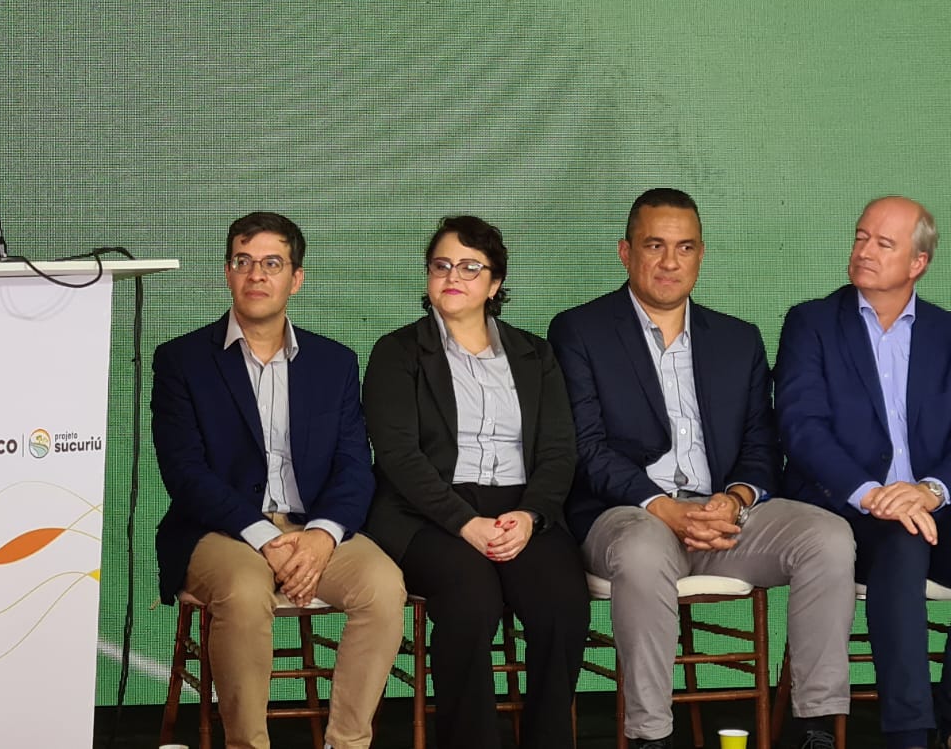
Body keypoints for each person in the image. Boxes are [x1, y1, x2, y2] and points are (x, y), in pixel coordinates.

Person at [548, 188, 853, 749]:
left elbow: (761, 443)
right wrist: (663, 507)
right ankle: (652, 736)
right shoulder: (579, 331)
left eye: (684, 247)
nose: (670, 261)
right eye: (654, 246)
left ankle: (814, 726)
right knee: (642, 551)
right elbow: (585, 448)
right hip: (628, 513)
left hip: (720, 517)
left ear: (701, 254)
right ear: (625, 252)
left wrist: (734, 499)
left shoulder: (737, 339)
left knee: (828, 537)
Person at [152, 211, 406, 749]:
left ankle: (346, 743)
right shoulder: (182, 360)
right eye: (243, 261)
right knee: (246, 593)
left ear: (296, 278)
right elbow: (185, 472)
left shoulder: (334, 362)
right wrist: (265, 538)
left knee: (384, 587)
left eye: (272, 263)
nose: (256, 275)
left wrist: (321, 536)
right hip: (221, 530)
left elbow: (354, 466)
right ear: (227, 272)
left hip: (313, 528)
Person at [361, 215, 587, 749]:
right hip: (427, 513)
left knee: (561, 603)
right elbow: (398, 456)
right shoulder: (397, 351)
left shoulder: (535, 354)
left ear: (495, 282)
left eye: (469, 267)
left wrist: (530, 516)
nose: (452, 276)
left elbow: (559, 451)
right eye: (441, 265)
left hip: (520, 508)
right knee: (471, 600)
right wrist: (465, 523)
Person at [778, 196, 951, 749]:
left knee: (911, 530)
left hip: (931, 506)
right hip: (846, 509)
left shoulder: (946, 333)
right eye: (860, 237)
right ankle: (910, 735)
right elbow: (801, 427)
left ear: (918, 263)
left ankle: (946, 716)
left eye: (883, 243)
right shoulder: (811, 323)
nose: (864, 251)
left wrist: (930, 490)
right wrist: (872, 494)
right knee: (903, 542)